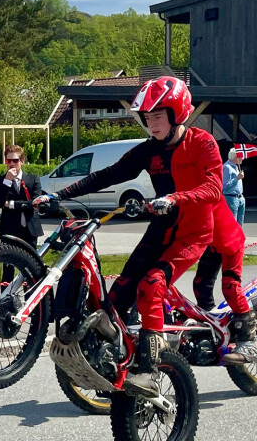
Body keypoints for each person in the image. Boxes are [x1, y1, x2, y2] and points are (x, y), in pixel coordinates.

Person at [34, 76, 222, 396]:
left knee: (151, 285)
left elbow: (214, 188)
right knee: (119, 292)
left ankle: (149, 371)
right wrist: (58, 195)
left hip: (193, 233)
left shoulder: (202, 142)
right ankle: (113, 359)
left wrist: (176, 198)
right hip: (161, 228)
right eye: (147, 117)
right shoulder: (149, 151)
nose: (151, 123)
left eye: (157, 116)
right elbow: (108, 175)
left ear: (177, 113)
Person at [191, 199, 257, 363]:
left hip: (231, 242)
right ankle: (210, 327)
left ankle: (249, 343)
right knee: (200, 285)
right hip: (212, 244)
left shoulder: (203, 194)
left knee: (230, 288)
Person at [0, 145, 43, 281]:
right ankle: (6, 295)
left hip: (29, 230)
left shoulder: (33, 179)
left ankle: (32, 294)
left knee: (31, 269)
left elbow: (34, 203)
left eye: (15, 160)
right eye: (8, 161)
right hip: (9, 229)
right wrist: (7, 181)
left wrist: (11, 204)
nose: (12, 164)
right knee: (8, 269)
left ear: (22, 161)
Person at [223, 147, 246, 225]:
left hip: (239, 197)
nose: (242, 158)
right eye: (241, 156)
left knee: (239, 223)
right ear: (235, 157)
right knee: (232, 223)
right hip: (231, 198)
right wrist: (237, 178)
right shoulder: (227, 167)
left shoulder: (235, 167)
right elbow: (224, 185)